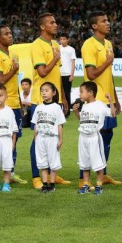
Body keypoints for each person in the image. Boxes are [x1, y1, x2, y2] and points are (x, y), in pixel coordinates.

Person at [29, 13, 70, 189]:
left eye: (55, 22)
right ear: (42, 27)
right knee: (38, 138)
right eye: (51, 23)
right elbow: (43, 72)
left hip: (55, 100)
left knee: (52, 139)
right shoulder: (37, 45)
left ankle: (53, 174)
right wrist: (55, 58)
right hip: (40, 100)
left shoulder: (54, 44)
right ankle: (36, 176)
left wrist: (63, 97)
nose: (55, 25)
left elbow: (56, 75)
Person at [80, 11, 122, 187]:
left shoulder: (108, 44)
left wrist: (116, 98)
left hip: (106, 98)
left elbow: (108, 75)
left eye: (107, 20)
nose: (108, 23)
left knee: (106, 138)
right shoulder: (89, 45)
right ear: (94, 26)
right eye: (103, 21)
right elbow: (91, 74)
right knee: (91, 138)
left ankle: (102, 174)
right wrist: (107, 62)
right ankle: (84, 179)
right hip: (93, 100)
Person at [0, 25, 26, 188]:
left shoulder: (14, 54)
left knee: (13, 140)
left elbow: (14, 81)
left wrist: (20, 102)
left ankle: (11, 173)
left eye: (10, 32)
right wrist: (13, 69)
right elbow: (1, 80)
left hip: (14, 104)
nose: (10, 35)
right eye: (6, 34)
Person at [73, 81, 116, 195]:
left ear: (90, 93)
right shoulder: (85, 106)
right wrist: (76, 111)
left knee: (98, 163)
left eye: (82, 92)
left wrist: (110, 101)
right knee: (84, 163)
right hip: (83, 137)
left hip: (94, 138)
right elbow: (81, 119)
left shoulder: (100, 105)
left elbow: (113, 114)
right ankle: (86, 184)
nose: (80, 94)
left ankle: (99, 185)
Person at [32, 82, 66, 193]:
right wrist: (35, 138)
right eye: (42, 91)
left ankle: (52, 184)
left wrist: (60, 139)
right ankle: (45, 184)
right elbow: (36, 124)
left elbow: (59, 124)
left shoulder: (56, 107)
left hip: (52, 138)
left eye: (47, 90)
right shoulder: (38, 107)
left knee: (53, 161)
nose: (44, 93)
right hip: (41, 138)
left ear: (54, 92)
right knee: (42, 162)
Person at [59, 32, 76, 117]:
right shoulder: (57, 48)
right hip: (58, 74)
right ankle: (59, 110)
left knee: (67, 93)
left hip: (67, 74)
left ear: (68, 40)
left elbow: (73, 62)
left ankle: (67, 111)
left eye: (64, 39)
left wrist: (72, 75)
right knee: (58, 93)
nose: (62, 41)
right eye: (61, 39)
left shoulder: (71, 49)